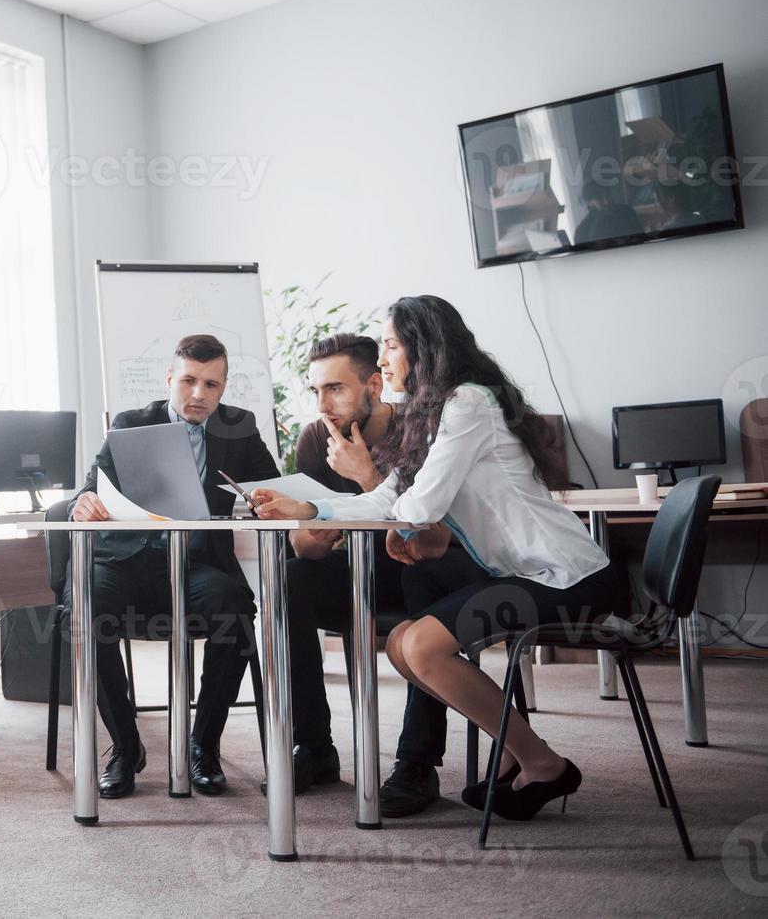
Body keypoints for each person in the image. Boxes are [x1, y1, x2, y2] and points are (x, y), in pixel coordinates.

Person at [255, 295, 623, 821]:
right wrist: (310, 507)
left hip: (568, 576)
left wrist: (340, 506)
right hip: (523, 573)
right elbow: (390, 500)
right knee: (404, 646)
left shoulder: (468, 403)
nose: (383, 360)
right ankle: (525, 755)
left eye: (391, 346)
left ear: (423, 349)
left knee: (421, 647)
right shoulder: (436, 414)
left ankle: (542, 763)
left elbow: (419, 506)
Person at [69, 334, 280, 799]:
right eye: (188, 381)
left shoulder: (238, 427)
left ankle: (203, 745)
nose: (199, 394)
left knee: (234, 609)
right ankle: (126, 748)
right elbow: (89, 490)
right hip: (125, 562)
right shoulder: (132, 423)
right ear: (170, 379)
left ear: (224, 387)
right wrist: (85, 502)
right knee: (86, 609)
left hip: (194, 566)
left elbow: (273, 490)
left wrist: (265, 502)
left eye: (211, 384)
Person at [282, 333, 472, 816]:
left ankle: (416, 763)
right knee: (289, 581)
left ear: (373, 384)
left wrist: (367, 476)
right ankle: (315, 748)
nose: (324, 404)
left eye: (336, 389)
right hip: (358, 569)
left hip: (420, 563)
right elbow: (303, 543)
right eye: (316, 391)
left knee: (421, 578)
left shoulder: (424, 430)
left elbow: (431, 536)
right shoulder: (314, 438)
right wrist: (313, 536)